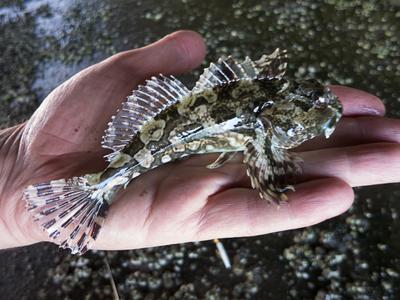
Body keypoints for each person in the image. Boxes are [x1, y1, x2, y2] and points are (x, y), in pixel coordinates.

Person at [0, 30, 399, 252]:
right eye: (312, 106)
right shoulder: (261, 129)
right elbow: (262, 148)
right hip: (154, 142)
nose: (324, 110)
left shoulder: (264, 114)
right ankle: (94, 192)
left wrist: (14, 165)